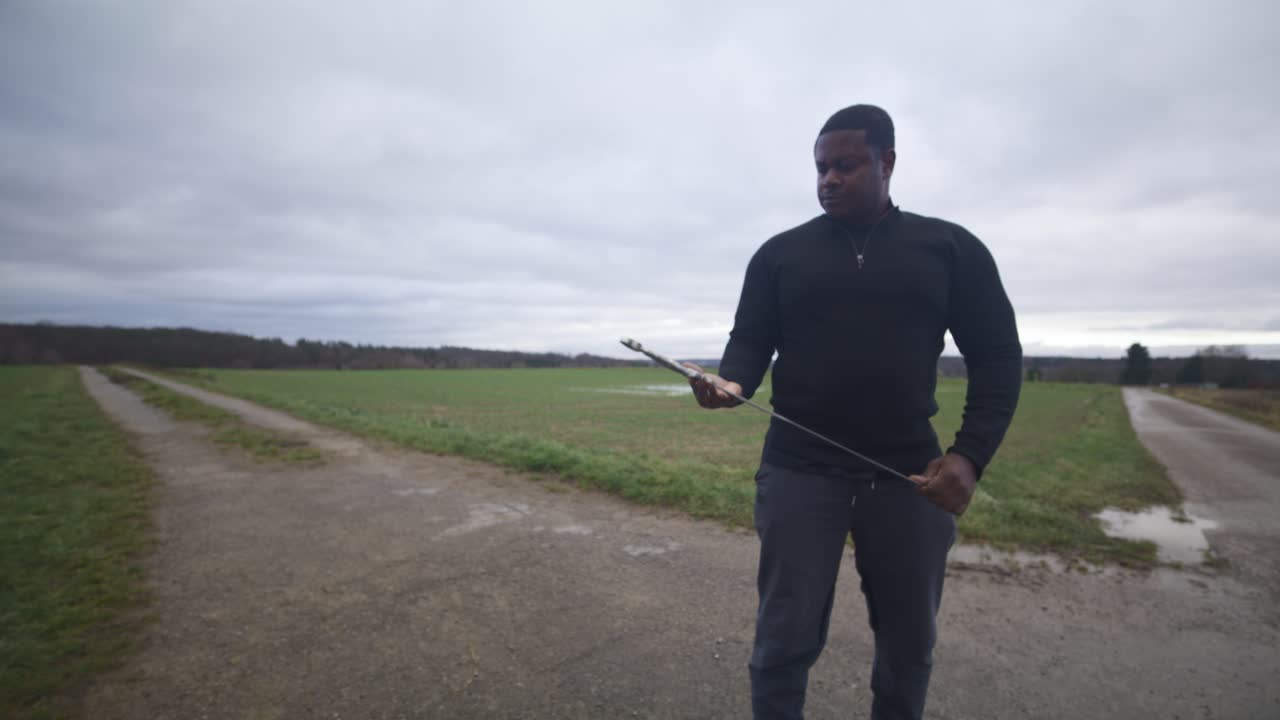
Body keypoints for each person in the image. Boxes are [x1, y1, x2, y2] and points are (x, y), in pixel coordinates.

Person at [685, 104, 1021, 720]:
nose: (828, 180)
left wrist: (969, 456)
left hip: (907, 478)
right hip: (797, 472)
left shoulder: (948, 248)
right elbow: (751, 338)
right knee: (783, 639)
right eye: (820, 168)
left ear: (887, 162)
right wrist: (730, 380)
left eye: (845, 165)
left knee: (909, 644)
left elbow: (998, 356)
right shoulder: (779, 255)